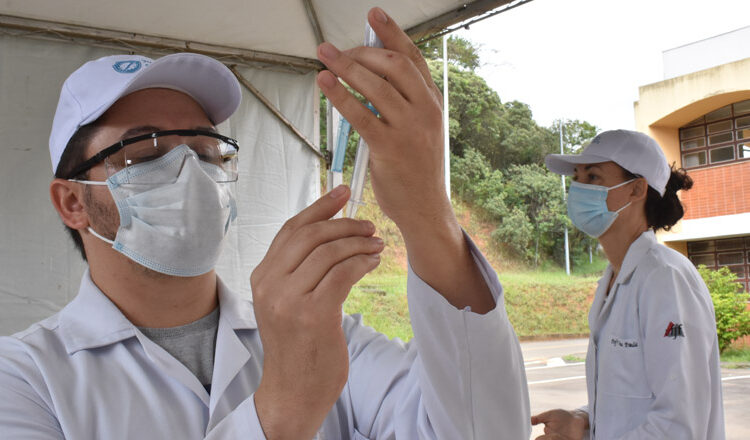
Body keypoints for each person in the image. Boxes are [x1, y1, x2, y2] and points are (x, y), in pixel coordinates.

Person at [0, 7, 530, 440]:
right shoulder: (24, 378)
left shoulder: (320, 331)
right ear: (71, 201)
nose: (191, 171)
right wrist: (284, 406)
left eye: (209, 150)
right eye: (146, 151)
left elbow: (484, 431)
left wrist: (427, 215)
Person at [531, 129, 725, 439]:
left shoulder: (665, 279)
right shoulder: (615, 280)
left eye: (593, 177)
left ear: (636, 190)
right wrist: (583, 421)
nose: (578, 189)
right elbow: (632, 399)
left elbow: (679, 425)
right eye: (577, 178)